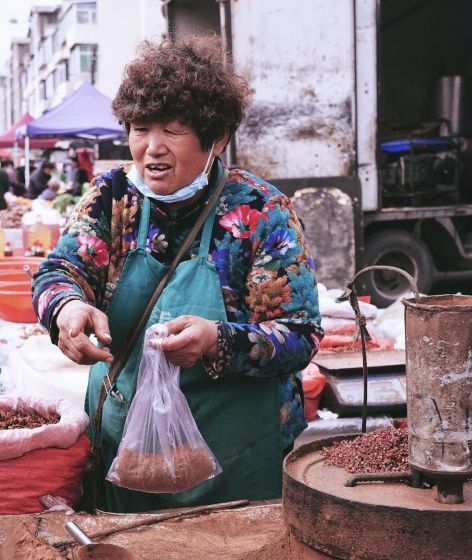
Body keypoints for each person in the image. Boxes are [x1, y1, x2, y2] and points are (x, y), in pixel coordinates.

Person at [32, 36, 323, 513]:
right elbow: (60, 269)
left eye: (173, 130)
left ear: (217, 137)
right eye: (141, 128)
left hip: (240, 463)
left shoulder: (260, 211)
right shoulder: (112, 198)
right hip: (129, 451)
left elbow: (299, 333)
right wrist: (66, 307)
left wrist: (217, 340)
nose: (152, 148)